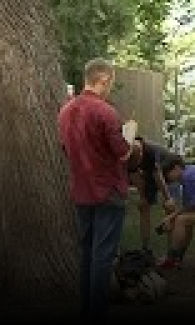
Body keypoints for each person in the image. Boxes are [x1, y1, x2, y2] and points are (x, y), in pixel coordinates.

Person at [58, 58, 139, 321]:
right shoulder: (105, 112)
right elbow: (122, 152)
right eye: (110, 82)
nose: (110, 87)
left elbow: (65, 148)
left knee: (87, 253)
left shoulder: (66, 111)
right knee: (103, 255)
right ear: (103, 79)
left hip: (81, 189)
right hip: (108, 189)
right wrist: (131, 136)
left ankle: (86, 308)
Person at [128, 136, 180, 255]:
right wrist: (142, 197)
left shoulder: (150, 151)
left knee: (170, 209)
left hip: (169, 171)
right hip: (150, 175)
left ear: (141, 153)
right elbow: (135, 176)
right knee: (143, 207)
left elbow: (158, 176)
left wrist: (168, 198)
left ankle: (172, 251)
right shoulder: (127, 153)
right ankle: (145, 248)